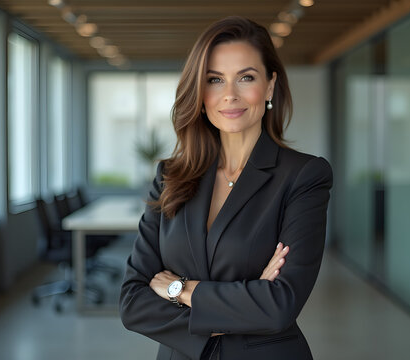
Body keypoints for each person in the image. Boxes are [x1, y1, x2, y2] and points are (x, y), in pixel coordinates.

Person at [119, 16, 333, 360]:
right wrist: (245, 304)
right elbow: (132, 302)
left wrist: (180, 289)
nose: (230, 95)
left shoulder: (304, 176)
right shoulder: (170, 176)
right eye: (215, 80)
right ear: (200, 92)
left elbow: (280, 305)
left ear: (270, 86)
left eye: (246, 77)